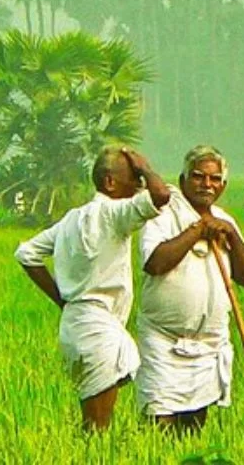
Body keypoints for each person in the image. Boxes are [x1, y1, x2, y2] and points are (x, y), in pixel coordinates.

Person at [14, 146, 170, 431]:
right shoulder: (113, 213)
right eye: (133, 178)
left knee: (93, 421)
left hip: (75, 323)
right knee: (97, 429)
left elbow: (26, 254)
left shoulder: (72, 219)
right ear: (110, 182)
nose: (138, 186)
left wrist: (63, 300)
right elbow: (161, 196)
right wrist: (145, 166)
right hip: (99, 330)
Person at [136, 144, 244, 432]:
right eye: (198, 177)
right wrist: (197, 231)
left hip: (208, 344)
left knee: (194, 427)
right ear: (183, 180)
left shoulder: (225, 220)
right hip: (163, 341)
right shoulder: (163, 215)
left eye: (215, 179)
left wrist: (230, 235)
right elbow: (155, 263)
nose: (207, 184)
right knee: (159, 423)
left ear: (223, 185)